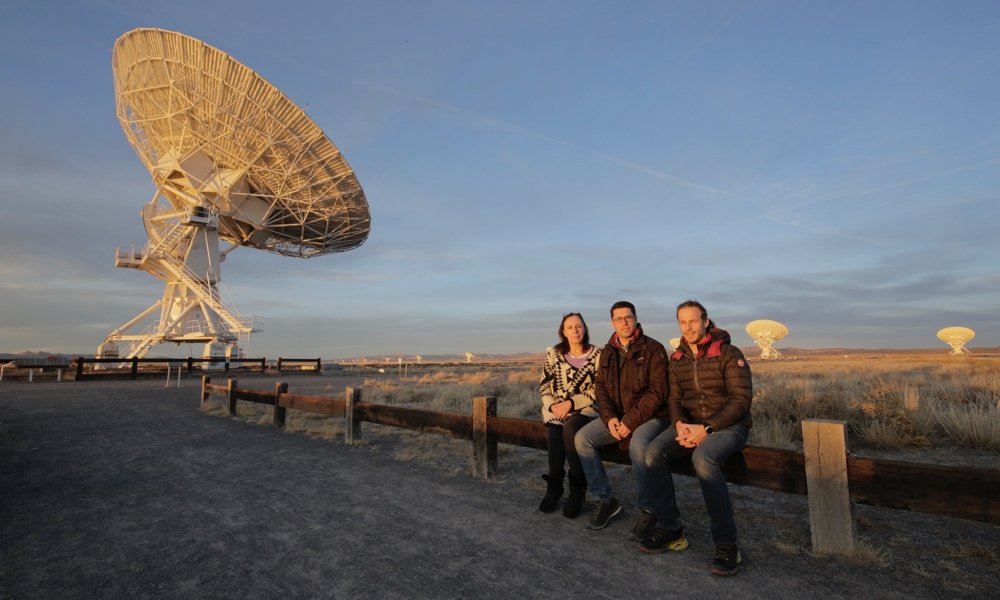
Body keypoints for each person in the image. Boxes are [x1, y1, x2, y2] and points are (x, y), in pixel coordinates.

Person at [637, 300, 753, 577]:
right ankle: (671, 528)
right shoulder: (677, 359)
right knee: (653, 453)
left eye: (693, 321)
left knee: (703, 459)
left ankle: (727, 545)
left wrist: (708, 429)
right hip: (690, 426)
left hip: (729, 426)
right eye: (682, 322)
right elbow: (675, 399)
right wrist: (679, 425)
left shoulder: (728, 353)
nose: (688, 326)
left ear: (705, 321)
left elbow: (741, 400)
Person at [574, 301, 669, 538]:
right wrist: (610, 418)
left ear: (636, 318)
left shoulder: (653, 349)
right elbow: (601, 389)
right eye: (619, 319)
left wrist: (630, 422)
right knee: (582, 439)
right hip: (616, 417)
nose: (624, 322)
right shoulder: (609, 351)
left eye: (628, 317)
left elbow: (657, 392)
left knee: (638, 446)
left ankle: (648, 509)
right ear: (612, 323)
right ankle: (605, 500)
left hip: (650, 417)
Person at [537, 312, 601, 518]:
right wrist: (555, 407)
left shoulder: (598, 356)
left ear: (585, 328)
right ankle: (554, 486)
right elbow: (545, 384)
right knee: (555, 434)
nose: (575, 330)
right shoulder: (554, 354)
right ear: (563, 331)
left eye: (579, 326)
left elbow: (599, 390)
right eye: (570, 327)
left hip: (586, 410)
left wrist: (572, 403)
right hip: (556, 410)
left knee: (571, 430)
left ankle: (577, 489)